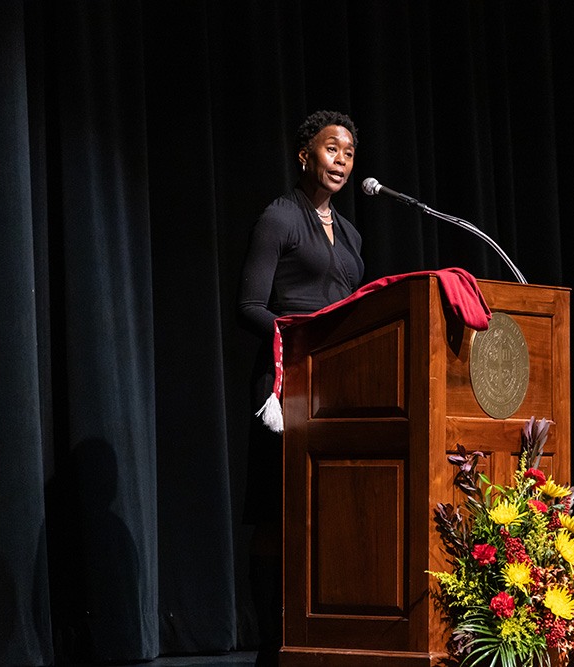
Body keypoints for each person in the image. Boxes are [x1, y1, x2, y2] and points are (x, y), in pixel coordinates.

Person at [236, 110, 363, 667]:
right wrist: (302, 332)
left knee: (328, 511)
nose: (342, 160)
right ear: (305, 155)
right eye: (332, 148)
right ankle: (273, 642)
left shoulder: (353, 234)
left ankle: (323, 630)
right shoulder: (280, 218)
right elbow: (248, 306)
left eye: (350, 153)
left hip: (339, 382)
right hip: (285, 389)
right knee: (276, 515)